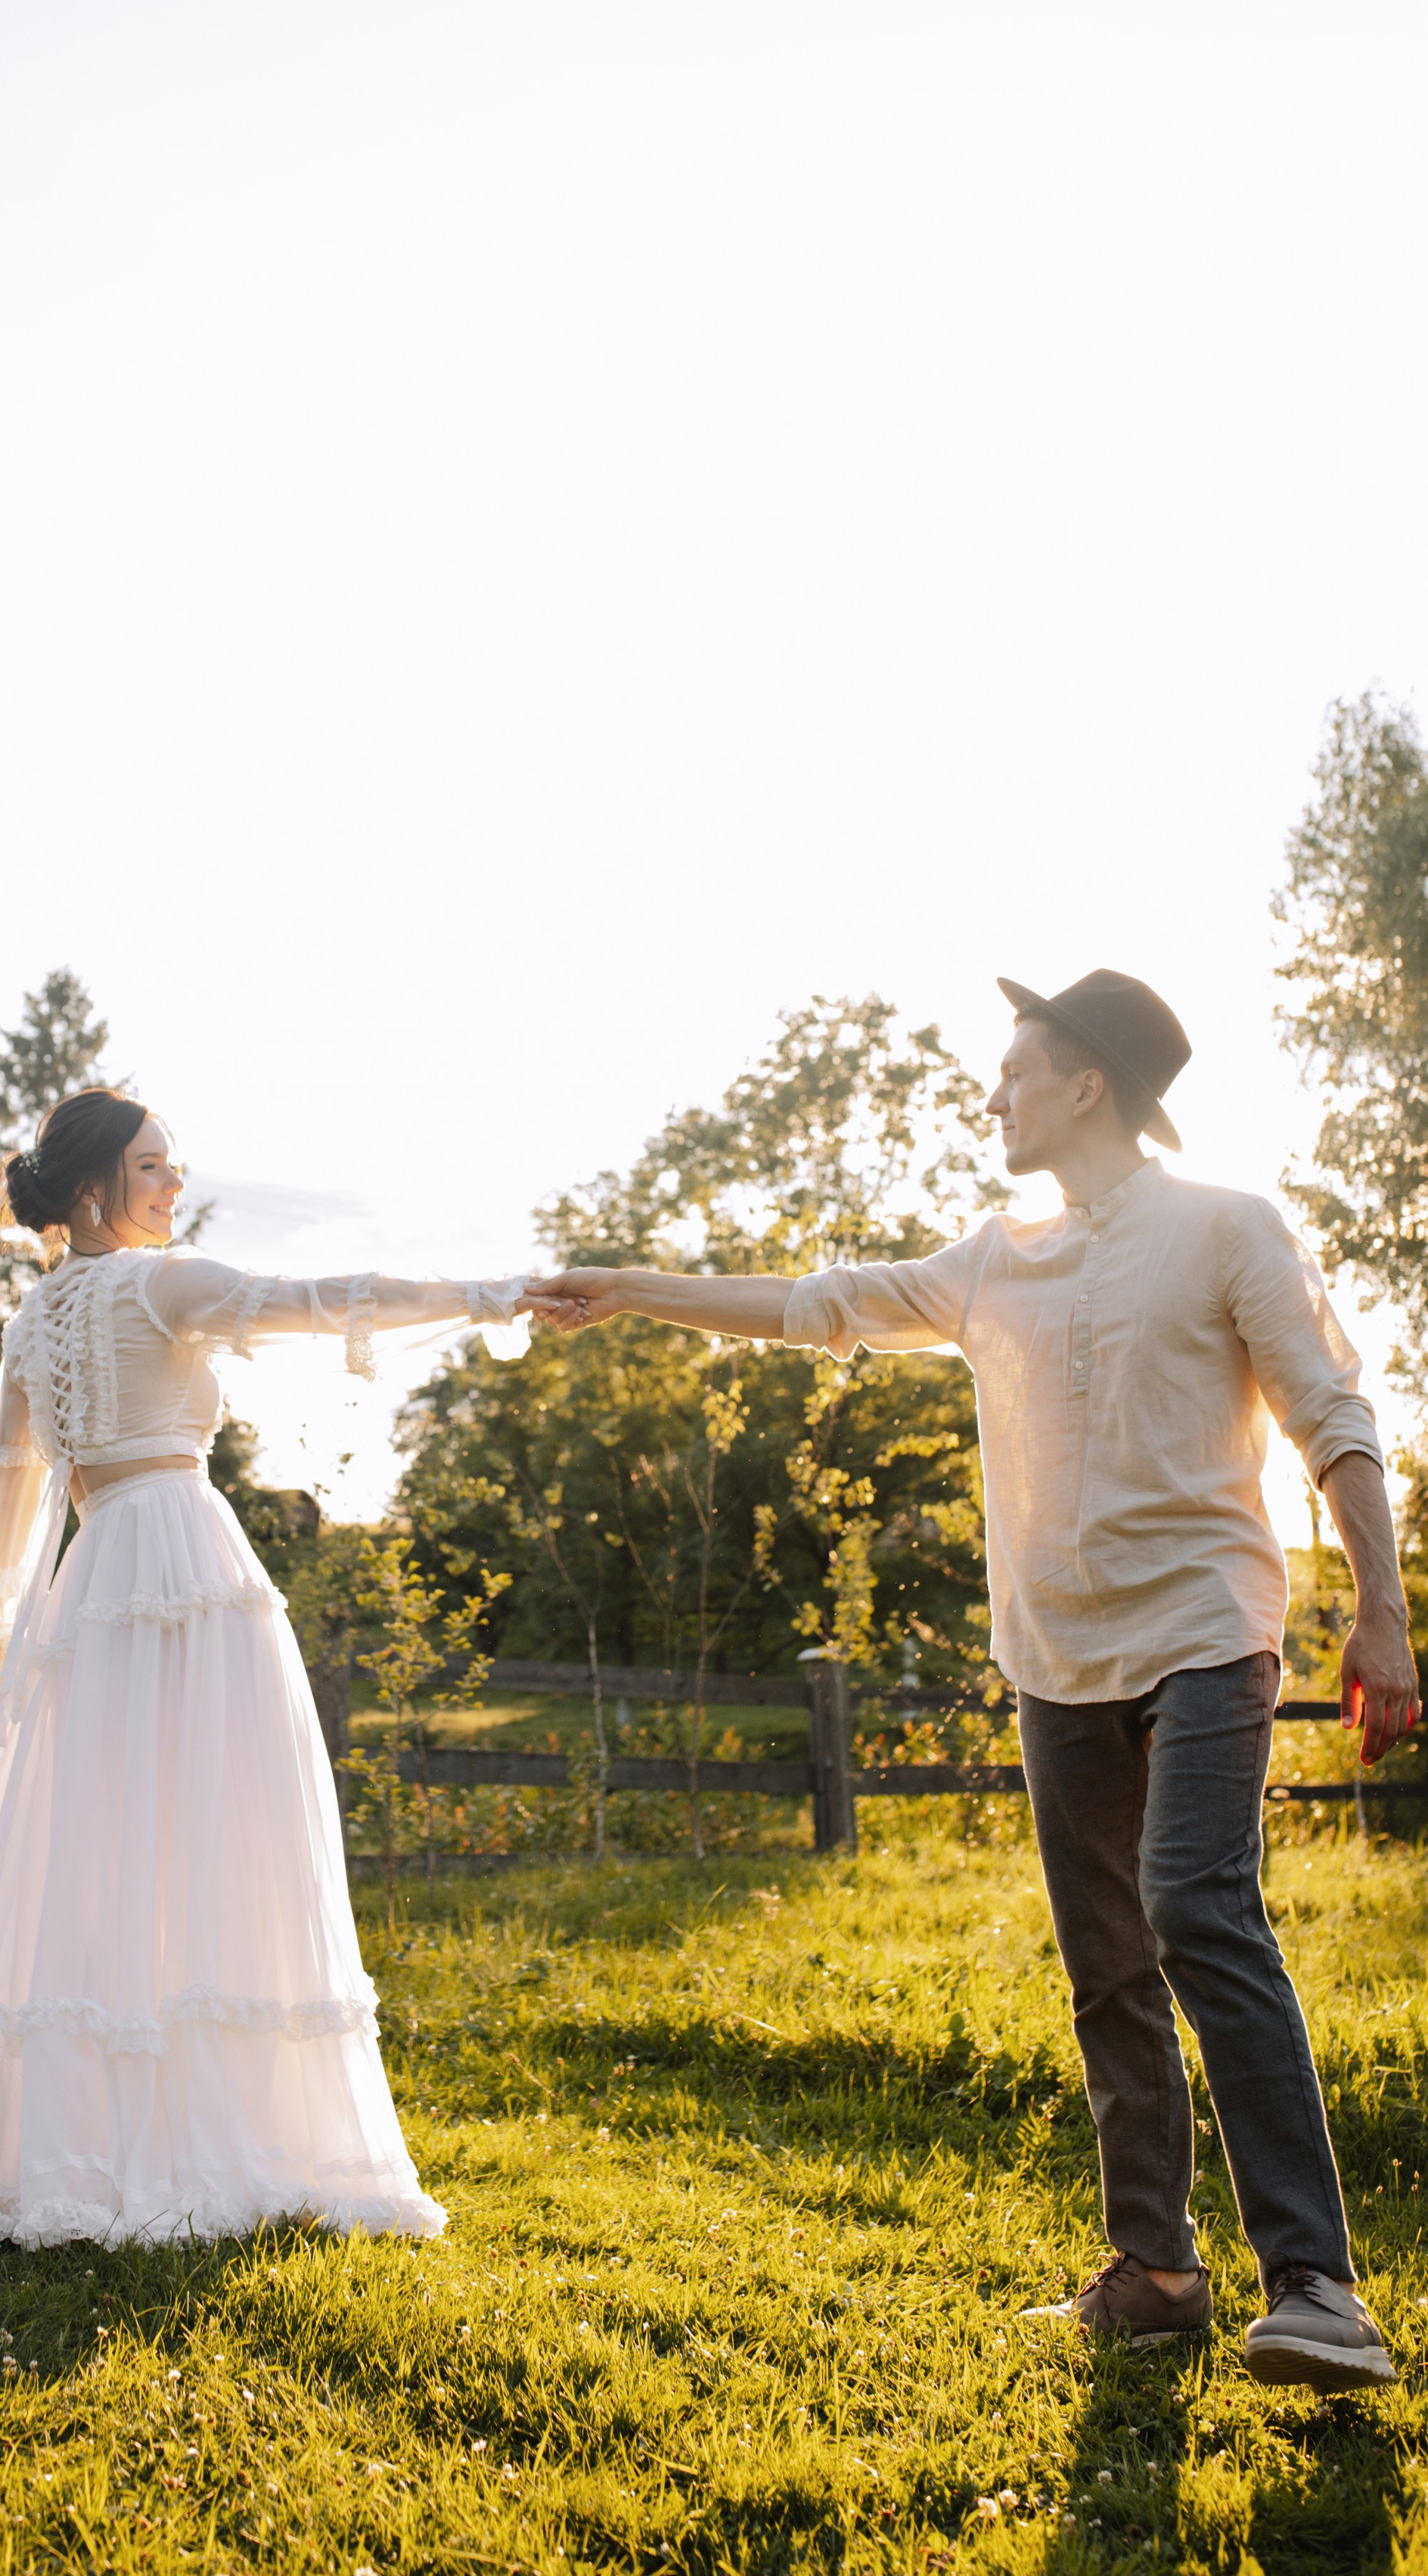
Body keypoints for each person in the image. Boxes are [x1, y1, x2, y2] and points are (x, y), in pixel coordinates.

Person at [526, 970, 1420, 2389]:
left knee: (1196, 1904)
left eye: (1015, 1070)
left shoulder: (1227, 1227)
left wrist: (1382, 1610)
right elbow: (821, 1304)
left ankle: (1315, 2285)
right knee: (1108, 1962)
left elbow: (1333, 1411)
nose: (990, 1095)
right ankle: (1159, 2270)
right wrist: (632, 1291)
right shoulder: (995, 1259)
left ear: (1087, 1087)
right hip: (1056, 1653)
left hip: (1205, 1625)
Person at [0, 1085, 529, 2247]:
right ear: (95, 1185)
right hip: (189, 1569)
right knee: (229, 1829)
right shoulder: (165, 1281)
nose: (175, 1183)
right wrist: (486, 1296)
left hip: (95, 1586)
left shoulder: (30, 1323)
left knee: (93, 1850)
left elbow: (13, 1485)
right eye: (155, 1166)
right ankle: (219, 2132)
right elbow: (316, 1303)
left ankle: (75, 2139)